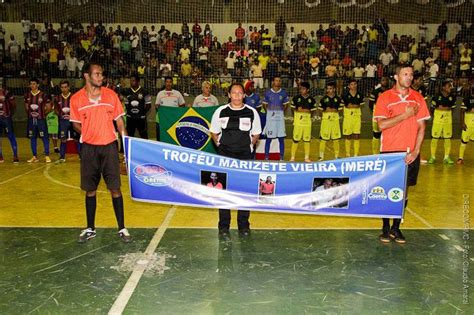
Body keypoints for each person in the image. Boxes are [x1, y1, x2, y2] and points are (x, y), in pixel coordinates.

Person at [70, 62, 131, 243]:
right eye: (96, 74)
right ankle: (90, 228)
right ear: (86, 76)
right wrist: (88, 134)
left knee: (115, 188)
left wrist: (126, 146)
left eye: (101, 74)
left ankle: (122, 228)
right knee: (90, 190)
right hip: (89, 148)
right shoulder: (76, 99)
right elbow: (75, 123)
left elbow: (120, 122)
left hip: (109, 147)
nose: (100, 77)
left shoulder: (111, 95)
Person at [374, 64, 430, 244]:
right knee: (385, 190)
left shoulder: (418, 98)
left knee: (403, 192)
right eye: (405, 74)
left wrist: (416, 151)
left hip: (409, 154)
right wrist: (405, 115)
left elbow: (422, 127)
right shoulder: (385, 97)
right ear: (396, 77)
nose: (409, 77)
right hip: (389, 153)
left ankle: (396, 227)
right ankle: (384, 227)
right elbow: (381, 125)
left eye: (411, 75)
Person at [210, 83, 261, 239]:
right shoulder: (220, 111)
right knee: (224, 191)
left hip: (245, 157)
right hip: (225, 156)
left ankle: (243, 225)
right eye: (234, 93)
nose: (237, 96)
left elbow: (256, 134)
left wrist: (249, 147)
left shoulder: (252, 112)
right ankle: (223, 227)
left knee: (244, 191)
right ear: (229, 94)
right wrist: (220, 146)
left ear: (244, 95)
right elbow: (214, 132)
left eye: (240, 93)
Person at [428, 80, 456, 165]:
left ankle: (446, 157)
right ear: (443, 87)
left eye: (450, 86)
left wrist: (444, 108)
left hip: (448, 120)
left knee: (447, 139)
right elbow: (432, 109)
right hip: (438, 121)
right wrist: (439, 111)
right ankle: (432, 157)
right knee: (435, 138)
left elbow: (452, 108)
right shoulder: (436, 97)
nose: (450, 88)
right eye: (448, 86)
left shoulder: (452, 97)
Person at [25, 78, 52, 163]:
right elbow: (26, 107)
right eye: (31, 84)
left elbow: (49, 107)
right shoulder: (27, 95)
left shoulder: (43, 95)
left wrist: (43, 115)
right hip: (31, 120)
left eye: (34, 84)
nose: (32, 85)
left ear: (38, 85)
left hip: (41, 120)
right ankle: (34, 156)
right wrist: (31, 115)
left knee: (45, 137)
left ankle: (47, 156)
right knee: (32, 137)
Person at [262, 76, 289, 160]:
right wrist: (269, 112)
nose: (278, 82)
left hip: (280, 117)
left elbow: (286, 104)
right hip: (271, 117)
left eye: (279, 81)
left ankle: (281, 157)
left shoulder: (283, 93)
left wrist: (281, 112)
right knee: (269, 138)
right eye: (276, 80)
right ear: (273, 82)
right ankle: (266, 157)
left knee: (281, 138)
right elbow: (264, 104)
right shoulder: (267, 92)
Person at [290, 82, 317, 162]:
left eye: (303, 89)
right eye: (301, 88)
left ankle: (306, 157)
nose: (301, 90)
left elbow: (313, 111)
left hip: (307, 123)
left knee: (307, 140)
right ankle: (292, 157)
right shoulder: (296, 98)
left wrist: (304, 110)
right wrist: (297, 112)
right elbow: (293, 108)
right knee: (295, 139)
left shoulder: (311, 99)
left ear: (307, 90)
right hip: (298, 122)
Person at [318, 82, 344, 161]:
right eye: (328, 89)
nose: (329, 90)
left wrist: (334, 110)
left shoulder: (338, 99)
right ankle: (321, 156)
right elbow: (320, 110)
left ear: (334, 89)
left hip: (335, 119)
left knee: (336, 138)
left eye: (331, 88)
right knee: (323, 138)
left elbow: (341, 109)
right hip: (326, 120)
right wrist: (325, 112)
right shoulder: (323, 99)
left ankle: (336, 156)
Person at [154, 76, 186, 141]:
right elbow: (156, 106)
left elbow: (182, 104)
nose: (168, 84)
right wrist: (161, 110)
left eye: (170, 82)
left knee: (173, 138)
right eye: (167, 82)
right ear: (165, 83)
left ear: (172, 83)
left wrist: (175, 112)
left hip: (173, 120)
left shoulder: (177, 93)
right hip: (161, 121)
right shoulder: (160, 94)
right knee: (160, 138)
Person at [122, 73, 151, 139]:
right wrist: (130, 113)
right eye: (131, 81)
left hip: (141, 119)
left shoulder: (145, 91)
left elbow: (149, 105)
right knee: (129, 136)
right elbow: (126, 104)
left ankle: (145, 149)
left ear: (138, 81)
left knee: (144, 136)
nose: (131, 82)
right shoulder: (127, 92)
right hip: (130, 119)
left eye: (133, 80)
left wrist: (142, 114)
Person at [55, 80, 76, 162]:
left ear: (69, 87)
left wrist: (73, 115)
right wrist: (60, 115)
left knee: (76, 138)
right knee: (63, 139)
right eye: (62, 87)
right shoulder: (57, 98)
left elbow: (77, 108)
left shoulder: (74, 97)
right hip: (63, 121)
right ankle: (62, 157)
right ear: (60, 88)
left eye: (65, 87)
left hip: (73, 120)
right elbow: (55, 109)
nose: (64, 89)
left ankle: (81, 156)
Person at [342, 79, 365, 157]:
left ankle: (356, 154)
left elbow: (361, 105)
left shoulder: (360, 94)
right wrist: (355, 105)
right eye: (352, 84)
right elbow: (346, 106)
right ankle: (348, 154)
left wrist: (352, 105)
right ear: (349, 86)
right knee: (348, 135)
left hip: (357, 117)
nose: (354, 86)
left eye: (355, 84)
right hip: (348, 117)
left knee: (357, 135)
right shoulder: (345, 95)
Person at [368, 76, 390, 154]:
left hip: (388, 117)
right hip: (377, 117)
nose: (385, 81)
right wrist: (377, 112)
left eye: (386, 80)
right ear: (380, 82)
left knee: (387, 135)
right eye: (383, 80)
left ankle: (385, 152)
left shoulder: (391, 92)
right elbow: (370, 105)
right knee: (376, 135)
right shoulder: (375, 92)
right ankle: (375, 153)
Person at [0, 78, 19, 163]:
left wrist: (9, 114)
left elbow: (14, 105)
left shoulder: (7, 93)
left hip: (6, 118)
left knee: (11, 136)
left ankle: (15, 155)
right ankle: (0, 156)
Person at [457, 86, 474, 165]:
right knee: (464, 141)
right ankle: (460, 158)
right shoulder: (467, 99)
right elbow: (462, 111)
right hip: (468, 122)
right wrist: (462, 123)